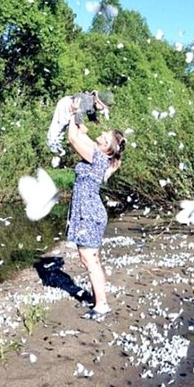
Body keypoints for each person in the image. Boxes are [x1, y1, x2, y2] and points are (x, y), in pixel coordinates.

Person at [65, 97, 125, 320]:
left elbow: (72, 137)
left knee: (89, 259)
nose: (102, 135)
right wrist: (82, 111)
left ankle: (101, 305)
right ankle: (99, 299)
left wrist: (71, 114)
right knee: (92, 258)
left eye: (105, 136)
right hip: (90, 211)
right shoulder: (100, 155)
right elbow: (81, 134)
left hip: (88, 212)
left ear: (108, 147)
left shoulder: (98, 157)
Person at [47, 90, 114, 155]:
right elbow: (78, 112)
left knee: (65, 127)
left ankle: (58, 145)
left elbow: (91, 111)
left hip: (72, 110)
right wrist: (81, 125)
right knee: (59, 126)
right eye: (103, 107)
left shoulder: (92, 101)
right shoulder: (87, 101)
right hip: (66, 107)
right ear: (97, 101)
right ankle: (51, 145)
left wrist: (94, 120)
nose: (102, 109)